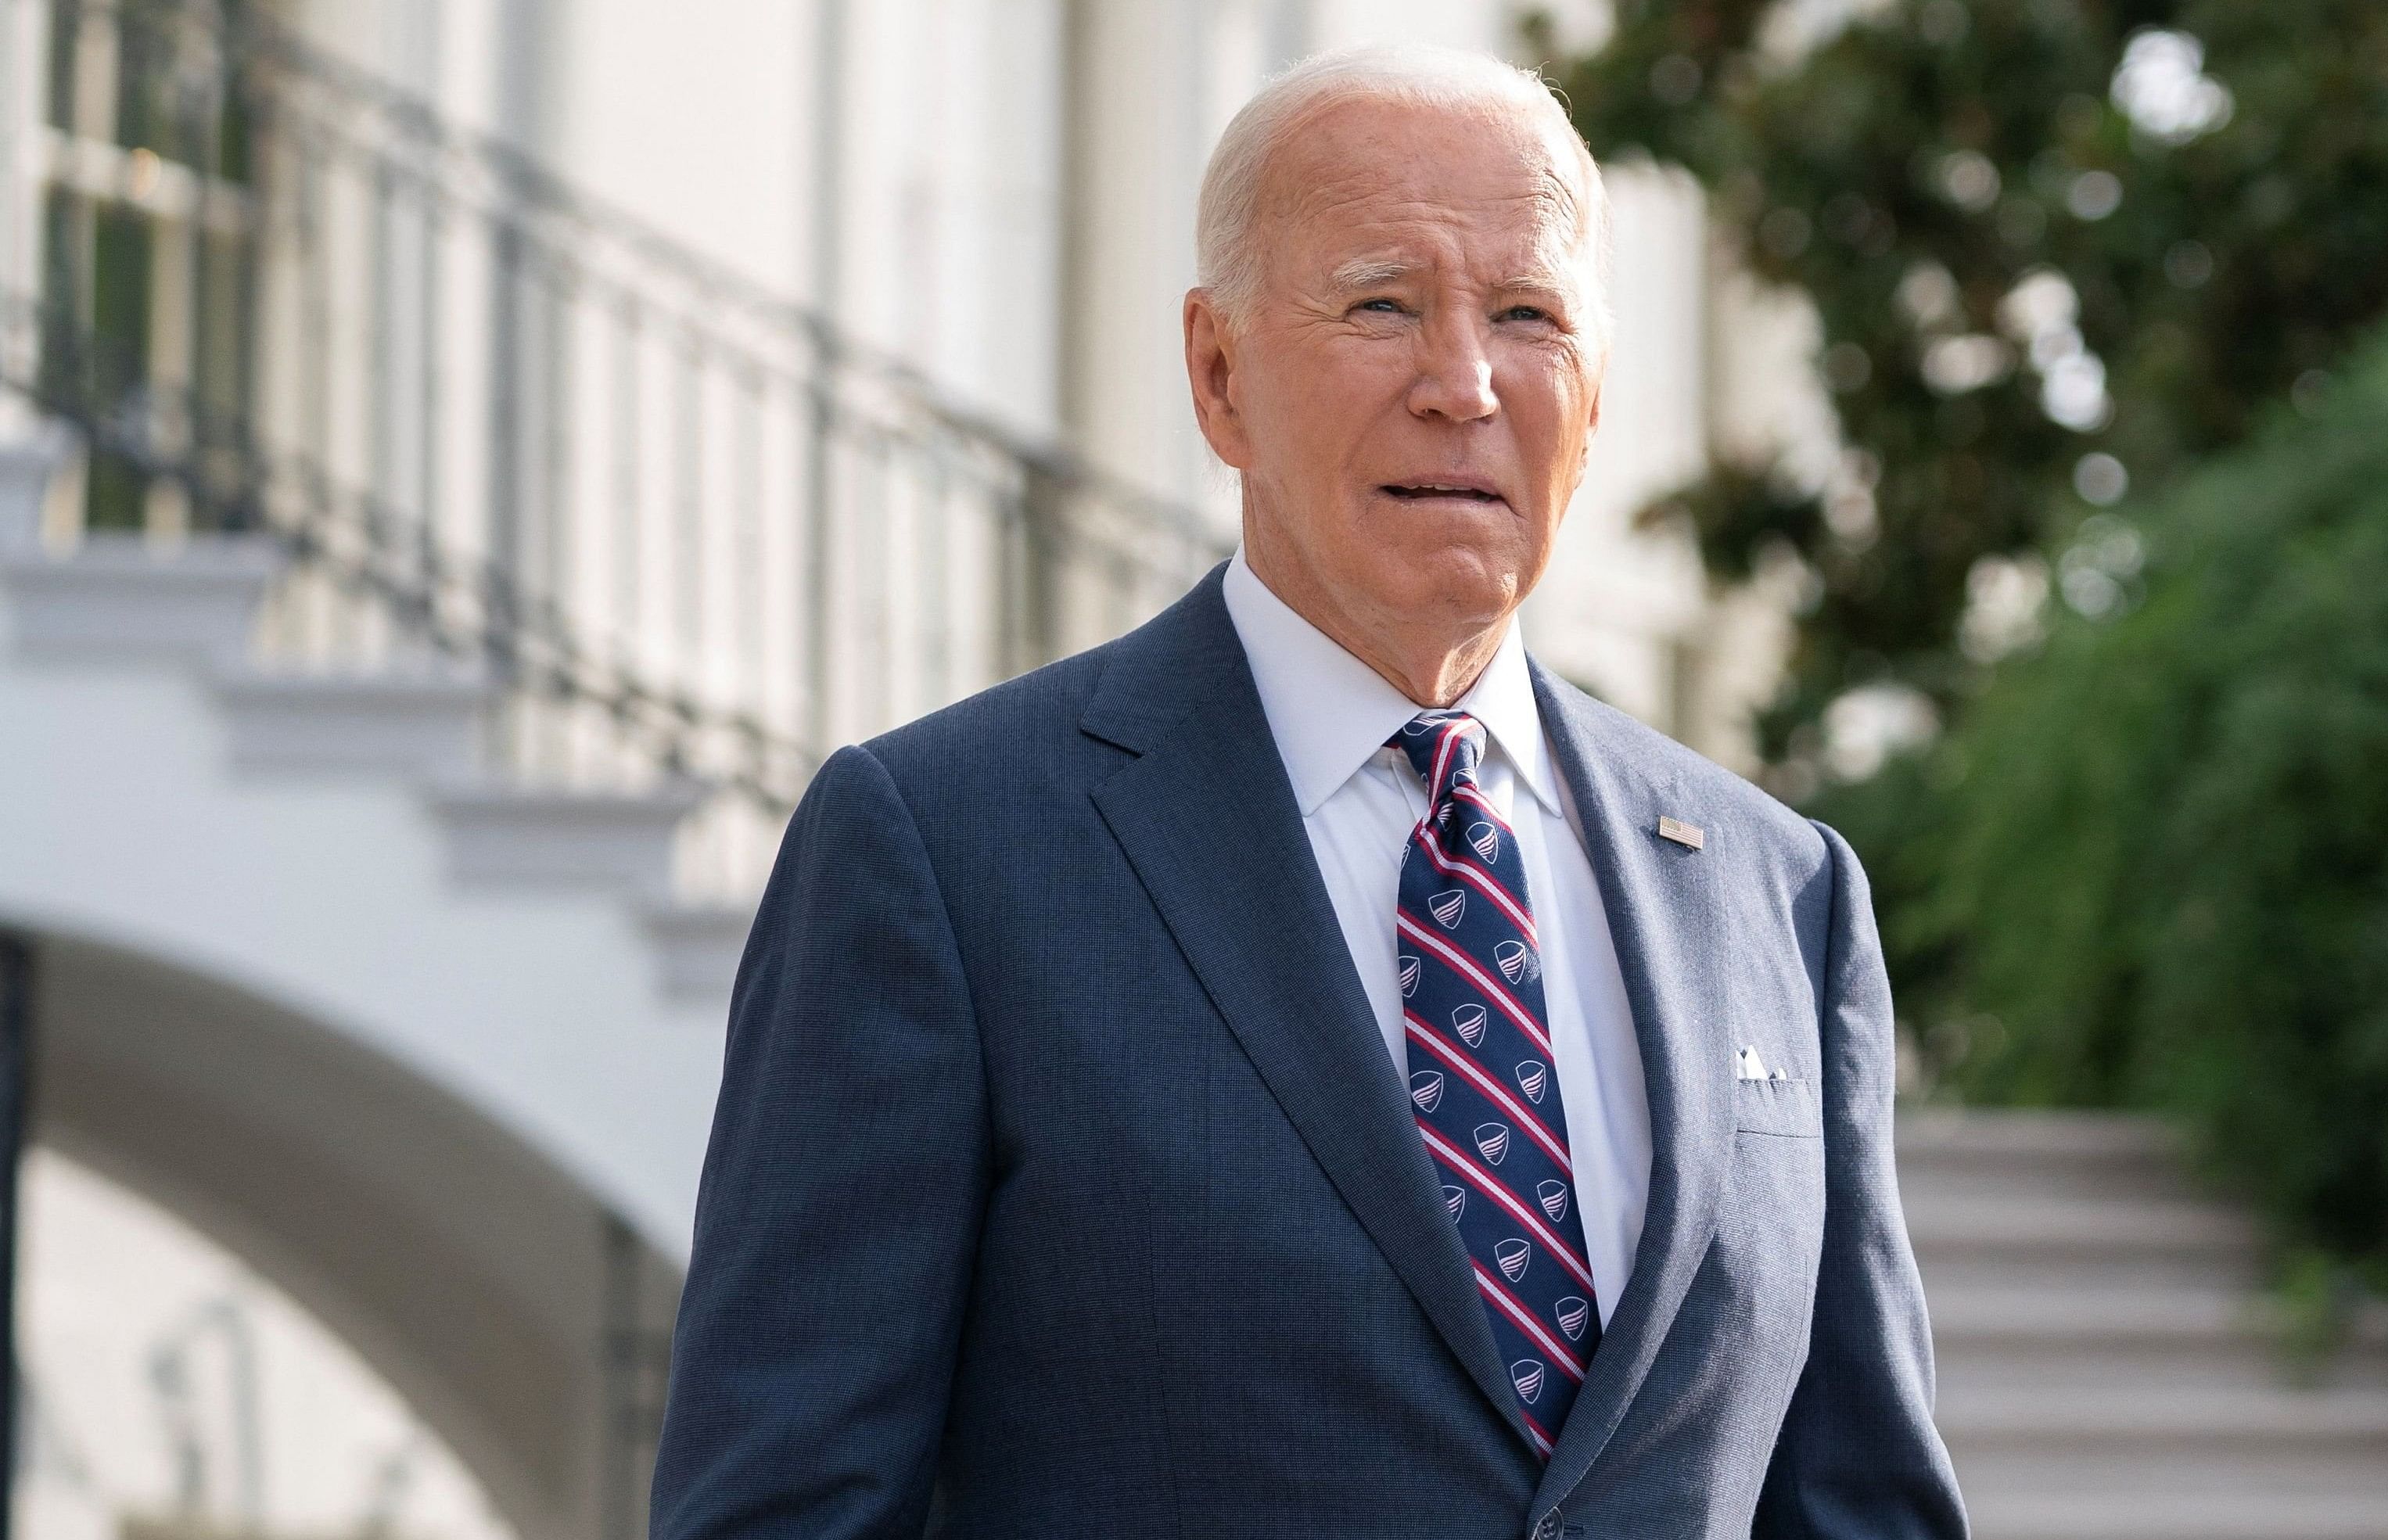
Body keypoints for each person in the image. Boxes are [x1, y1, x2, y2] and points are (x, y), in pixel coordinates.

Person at [649, 45, 1963, 1540]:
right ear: (1219, 376)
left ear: (1593, 399)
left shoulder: (1777, 892)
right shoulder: (945, 851)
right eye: (1382, 304)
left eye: (1528, 316)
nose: (1462, 383)